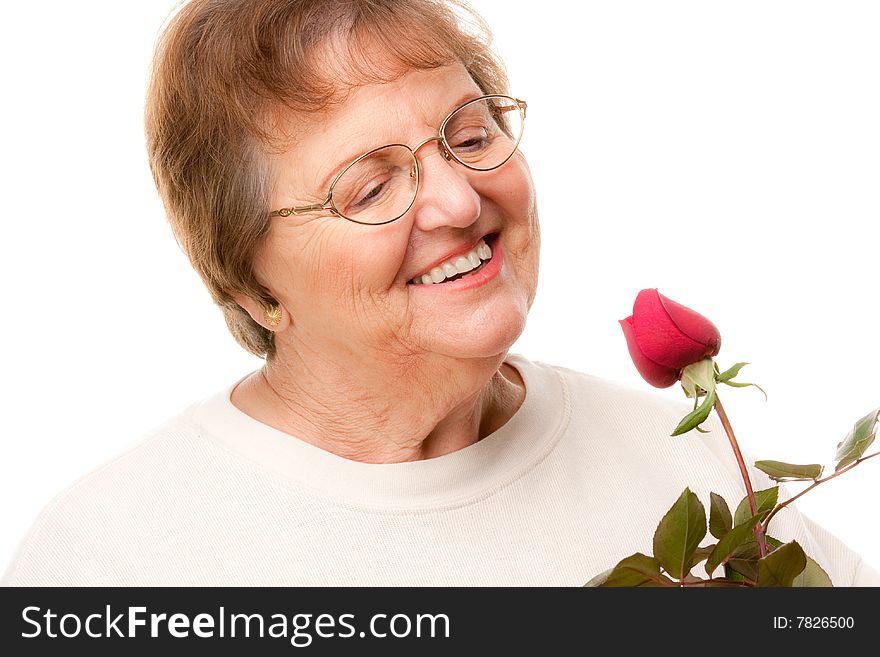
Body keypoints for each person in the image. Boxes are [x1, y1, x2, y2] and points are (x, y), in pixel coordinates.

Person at [2, 0, 877, 587]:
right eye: (371, 187)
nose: (461, 201)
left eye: (468, 133)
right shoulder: (113, 556)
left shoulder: (683, 464)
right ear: (249, 282)